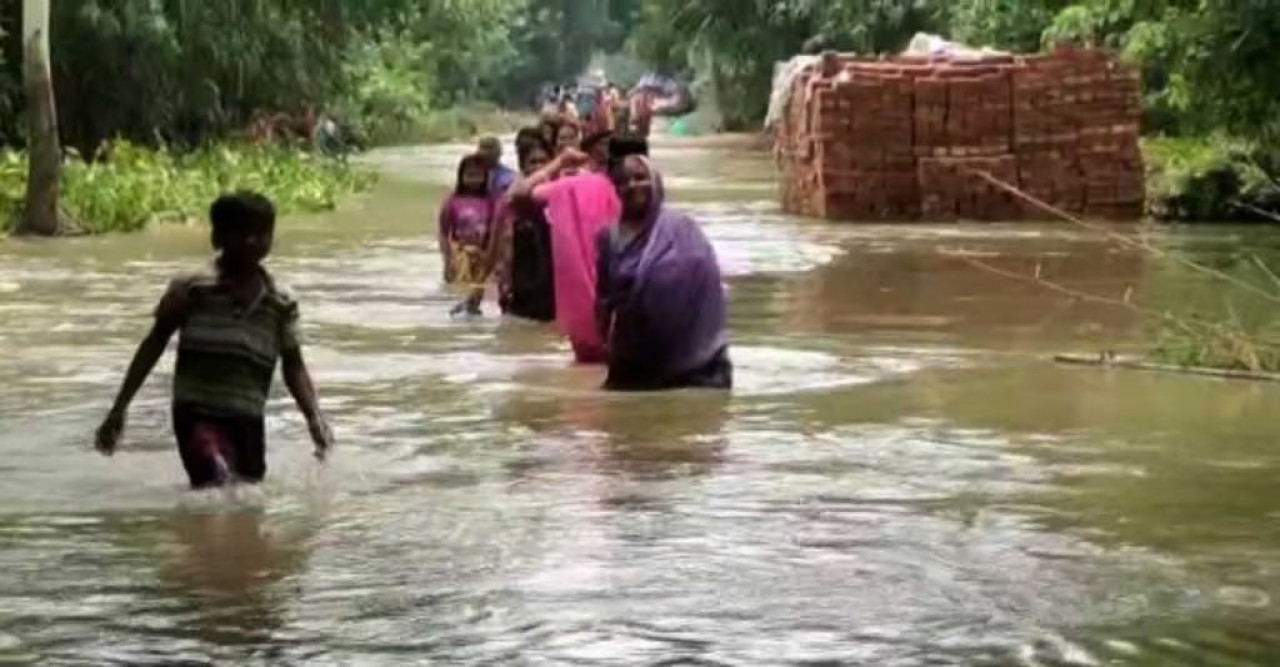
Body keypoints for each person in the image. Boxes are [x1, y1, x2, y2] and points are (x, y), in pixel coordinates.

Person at [95, 192, 333, 488]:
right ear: (218, 237)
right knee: (215, 480)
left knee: (246, 497)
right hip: (196, 411)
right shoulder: (192, 289)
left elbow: (294, 365)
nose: (252, 241)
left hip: (247, 416)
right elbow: (154, 343)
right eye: (242, 233)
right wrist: (120, 408)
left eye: (261, 234)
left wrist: (314, 417)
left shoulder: (280, 302)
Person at [595, 155, 731, 391]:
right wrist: (603, 345)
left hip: (696, 362)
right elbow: (603, 299)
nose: (632, 185)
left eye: (640, 177)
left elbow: (707, 286)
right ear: (615, 190)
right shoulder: (609, 237)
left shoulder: (684, 229)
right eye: (623, 181)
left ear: (655, 181)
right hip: (635, 359)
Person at [492, 141, 556, 322]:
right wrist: (502, 283)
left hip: (554, 287)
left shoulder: (561, 194)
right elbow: (500, 246)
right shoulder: (512, 199)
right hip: (522, 287)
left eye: (543, 162)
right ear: (522, 166)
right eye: (533, 162)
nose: (538, 167)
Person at [439, 154, 497, 316]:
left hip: (483, 256)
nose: (474, 180)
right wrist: (447, 260)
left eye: (478, 176)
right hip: (460, 256)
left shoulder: (492, 201)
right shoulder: (452, 200)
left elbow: (495, 231)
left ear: (485, 177)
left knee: (483, 292)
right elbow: (444, 232)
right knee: (459, 291)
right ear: (461, 176)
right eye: (469, 175)